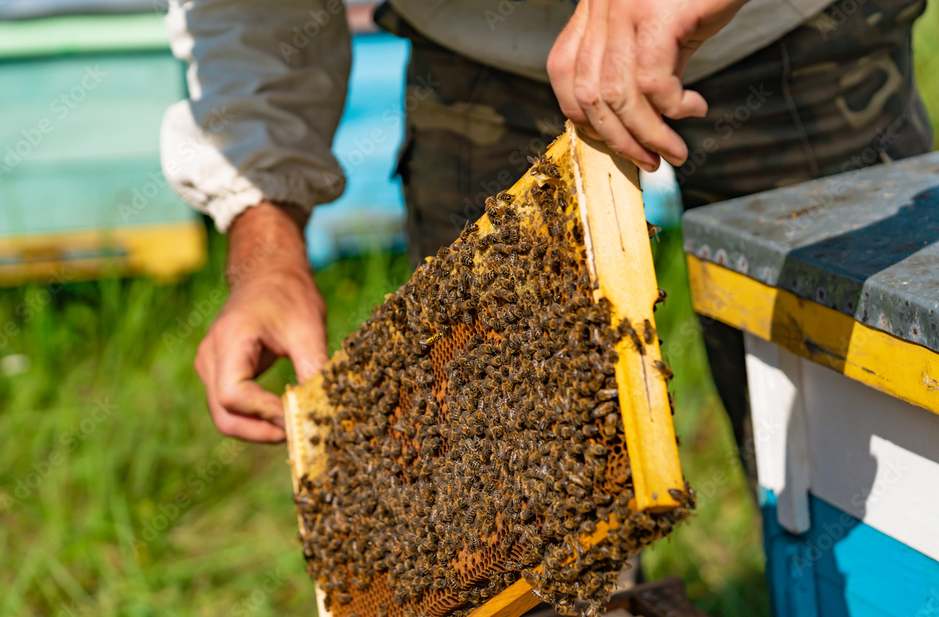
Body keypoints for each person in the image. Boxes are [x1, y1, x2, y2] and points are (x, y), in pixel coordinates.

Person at [162, 0, 932, 476]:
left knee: (877, 452)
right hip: (488, 52)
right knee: (501, 476)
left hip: (786, 26)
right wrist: (266, 244)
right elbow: (248, 11)